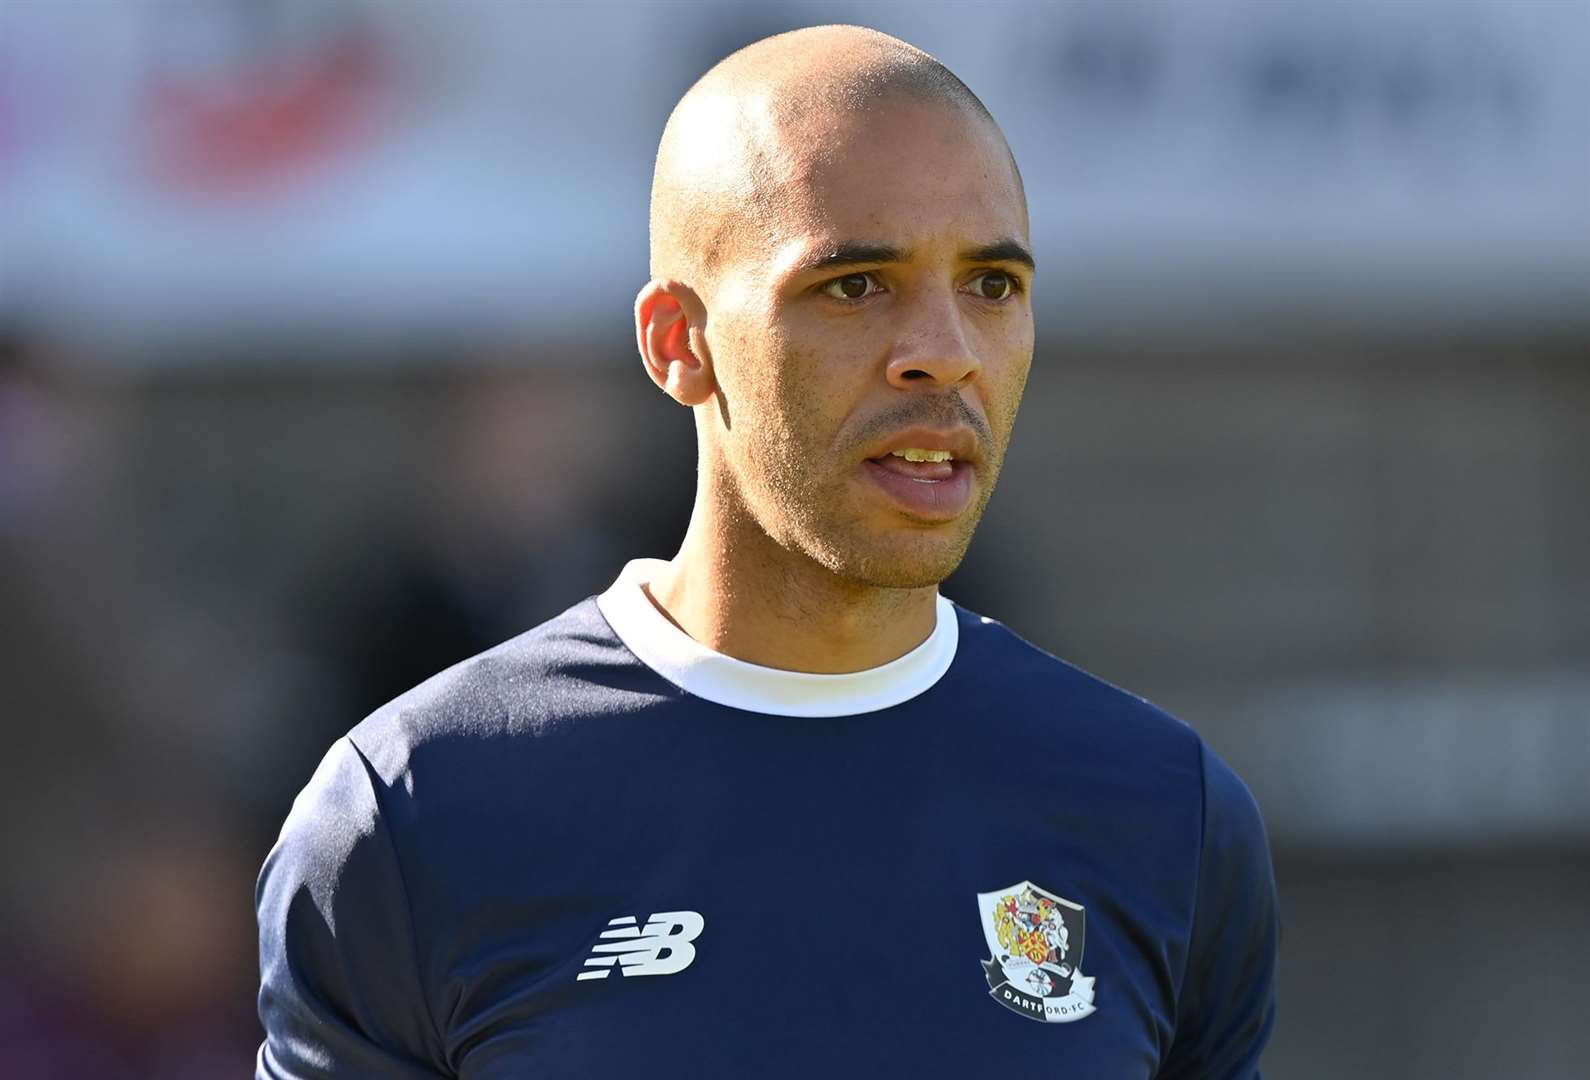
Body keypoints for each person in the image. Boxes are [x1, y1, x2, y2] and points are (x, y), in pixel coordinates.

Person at [256, 25, 1278, 1078]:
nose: (945, 353)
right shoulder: (413, 812)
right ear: (678, 343)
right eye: (855, 285)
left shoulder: (1166, 814)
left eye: (992, 286)